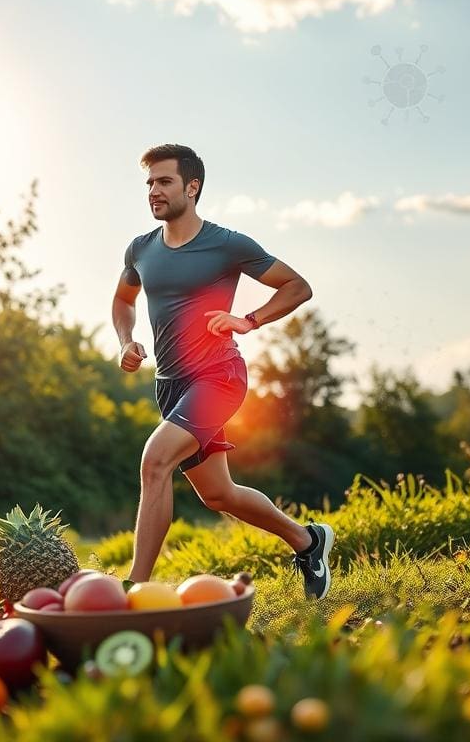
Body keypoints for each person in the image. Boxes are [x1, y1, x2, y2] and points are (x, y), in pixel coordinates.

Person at [111, 143, 335, 600]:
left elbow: (298, 286)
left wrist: (248, 319)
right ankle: (308, 541)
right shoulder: (140, 249)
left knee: (155, 462)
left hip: (218, 376)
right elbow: (122, 301)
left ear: (192, 187)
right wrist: (126, 342)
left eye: (165, 181)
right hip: (170, 385)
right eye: (149, 183)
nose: (154, 191)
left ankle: (134, 590)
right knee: (218, 494)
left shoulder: (227, 244)